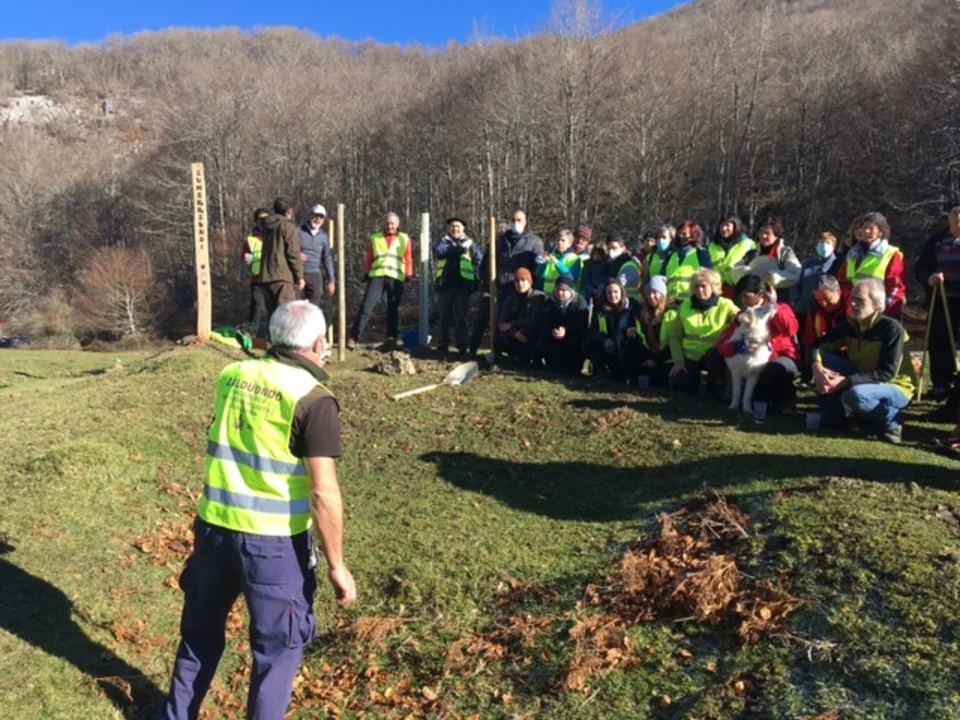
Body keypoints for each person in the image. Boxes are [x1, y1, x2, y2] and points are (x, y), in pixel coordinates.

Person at [160, 301, 356, 720]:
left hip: (213, 530)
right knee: (276, 652)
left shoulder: (232, 375)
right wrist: (337, 565)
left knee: (199, 634)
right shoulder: (314, 400)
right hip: (274, 546)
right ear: (318, 343)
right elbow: (324, 493)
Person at [811, 278, 915, 444]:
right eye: (852, 298)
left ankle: (892, 421)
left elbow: (887, 373)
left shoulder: (892, 330)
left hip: (895, 386)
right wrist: (817, 368)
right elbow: (817, 346)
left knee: (857, 395)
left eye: (859, 300)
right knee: (825, 361)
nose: (852, 304)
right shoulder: (851, 325)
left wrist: (846, 381)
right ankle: (835, 417)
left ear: (876, 304)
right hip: (863, 377)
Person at [717, 274, 801, 412]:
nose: (744, 301)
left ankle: (785, 402)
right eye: (742, 297)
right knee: (715, 357)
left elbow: (789, 330)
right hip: (750, 361)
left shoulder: (780, 309)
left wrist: (774, 305)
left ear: (761, 294)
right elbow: (723, 343)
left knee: (773, 370)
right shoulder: (743, 316)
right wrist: (736, 347)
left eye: (747, 296)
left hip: (780, 357)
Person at [470, 208, 544, 355]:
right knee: (488, 316)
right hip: (499, 288)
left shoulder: (534, 242)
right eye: (513, 220)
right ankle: (474, 349)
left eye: (519, 220)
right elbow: (486, 264)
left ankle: (517, 354)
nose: (515, 223)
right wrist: (488, 283)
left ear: (525, 222)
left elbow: (539, 266)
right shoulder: (500, 241)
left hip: (521, 290)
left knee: (517, 322)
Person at [914, 198, 960, 400]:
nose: (958, 216)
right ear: (949, 217)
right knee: (939, 342)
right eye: (955, 213)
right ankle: (942, 383)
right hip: (940, 299)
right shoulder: (936, 241)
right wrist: (929, 278)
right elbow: (920, 268)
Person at [668, 268, 739, 396]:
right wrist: (678, 362)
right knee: (679, 383)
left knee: (714, 360)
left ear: (713, 287)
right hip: (690, 358)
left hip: (715, 357)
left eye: (703, 286)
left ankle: (714, 384)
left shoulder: (726, 305)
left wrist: (726, 331)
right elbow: (675, 336)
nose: (699, 290)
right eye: (696, 287)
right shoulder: (685, 306)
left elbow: (741, 320)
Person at [348, 212, 413, 349]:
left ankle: (391, 338)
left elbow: (408, 258)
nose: (390, 226)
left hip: (396, 277)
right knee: (367, 305)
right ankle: (354, 337)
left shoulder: (404, 238)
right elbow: (370, 258)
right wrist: (366, 273)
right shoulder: (375, 238)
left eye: (392, 223)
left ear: (398, 224)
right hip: (377, 275)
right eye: (388, 223)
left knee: (393, 309)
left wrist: (408, 276)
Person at [837, 212, 906, 319]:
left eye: (871, 228)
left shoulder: (891, 254)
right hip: (853, 312)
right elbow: (843, 282)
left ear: (881, 232)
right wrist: (849, 305)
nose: (866, 231)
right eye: (864, 228)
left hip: (878, 314)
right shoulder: (852, 254)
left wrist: (883, 313)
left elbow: (895, 288)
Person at [434, 217, 482, 357]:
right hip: (445, 285)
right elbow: (440, 252)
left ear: (463, 228)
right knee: (444, 316)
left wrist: (477, 279)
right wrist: (459, 250)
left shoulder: (470, 244)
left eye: (458, 226)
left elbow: (480, 261)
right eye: (452, 226)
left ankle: (462, 345)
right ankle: (443, 344)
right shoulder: (443, 242)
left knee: (461, 317)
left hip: (463, 285)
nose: (455, 229)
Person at [625, 275, 677, 388]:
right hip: (650, 354)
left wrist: (656, 359)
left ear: (662, 294)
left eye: (655, 292)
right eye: (649, 293)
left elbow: (674, 342)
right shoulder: (643, 313)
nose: (651, 296)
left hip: (667, 358)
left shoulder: (671, 314)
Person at [729, 216, 801, 295]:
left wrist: (774, 277)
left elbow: (796, 273)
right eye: (761, 232)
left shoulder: (785, 252)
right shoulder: (752, 253)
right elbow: (735, 271)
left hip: (780, 298)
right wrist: (744, 272)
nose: (763, 236)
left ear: (776, 235)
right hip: (754, 298)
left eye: (767, 233)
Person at [259, 197, 305, 316]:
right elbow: (293, 254)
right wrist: (300, 276)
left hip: (266, 278)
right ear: (289, 211)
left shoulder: (267, 227)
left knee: (272, 317)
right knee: (285, 316)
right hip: (283, 279)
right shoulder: (288, 228)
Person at [536, 275, 589, 374]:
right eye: (558, 289)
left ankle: (575, 367)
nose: (560, 293)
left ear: (570, 290)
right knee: (542, 342)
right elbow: (542, 324)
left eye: (564, 290)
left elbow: (582, 324)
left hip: (573, 337)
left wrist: (566, 330)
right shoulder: (549, 302)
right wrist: (552, 332)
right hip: (554, 337)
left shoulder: (579, 301)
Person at [493, 268, 545, 365]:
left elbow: (535, 319)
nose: (520, 284)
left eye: (523, 280)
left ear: (529, 282)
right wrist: (514, 334)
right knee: (499, 338)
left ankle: (535, 360)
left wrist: (512, 325)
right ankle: (507, 359)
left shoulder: (539, 297)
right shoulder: (510, 299)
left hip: (532, 336)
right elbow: (502, 323)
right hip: (516, 336)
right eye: (517, 281)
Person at [800, 274, 847, 382]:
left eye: (827, 299)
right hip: (823, 357)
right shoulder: (814, 312)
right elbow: (809, 341)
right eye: (819, 300)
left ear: (839, 292)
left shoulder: (851, 310)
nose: (824, 304)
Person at [586, 279, 634, 380]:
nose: (612, 295)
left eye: (615, 292)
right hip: (609, 346)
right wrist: (605, 339)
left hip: (625, 344)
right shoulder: (600, 308)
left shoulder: (632, 306)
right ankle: (601, 370)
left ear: (621, 292)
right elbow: (593, 331)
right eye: (609, 293)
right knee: (588, 344)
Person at [792, 231, 839, 325]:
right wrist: (797, 300)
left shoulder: (838, 264)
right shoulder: (807, 263)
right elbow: (796, 284)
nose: (824, 245)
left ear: (833, 247)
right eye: (821, 242)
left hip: (826, 313)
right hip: (804, 310)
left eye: (828, 243)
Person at [298, 205, 336, 310]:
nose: (318, 219)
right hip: (298, 273)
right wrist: (297, 254)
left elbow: (327, 258)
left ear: (324, 219)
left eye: (321, 217)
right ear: (310, 215)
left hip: (314, 274)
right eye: (316, 215)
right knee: (296, 305)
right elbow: (288, 250)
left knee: (314, 307)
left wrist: (331, 280)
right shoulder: (298, 231)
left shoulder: (324, 237)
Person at [663, 220, 713, 299]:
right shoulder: (671, 255)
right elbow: (663, 277)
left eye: (684, 234)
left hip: (692, 302)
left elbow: (709, 278)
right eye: (679, 233)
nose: (680, 236)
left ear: (693, 236)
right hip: (671, 302)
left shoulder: (700, 253)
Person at [712, 215, 757, 292]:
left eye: (727, 225)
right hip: (716, 287)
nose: (724, 228)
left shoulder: (747, 244)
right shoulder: (712, 245)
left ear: (735, 226)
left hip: (739, 288)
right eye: (722, 225)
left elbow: (751, 266)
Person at [243, 208, 270, 333]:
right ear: (256, 221)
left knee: (271, 307)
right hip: (257, 278)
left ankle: (270, 334)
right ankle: (251, 332)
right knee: (257, 305)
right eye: (261, 219)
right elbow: (245, 257)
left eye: (266, 219)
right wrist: (248, 258)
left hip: (272, 277)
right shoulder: (251, 238)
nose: (264, 222)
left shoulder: (274, 235)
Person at [537, 229, 583, 294]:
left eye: (563, 240)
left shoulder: (574, 259)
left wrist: (558, 264)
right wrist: (543, 263)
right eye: (558, 240)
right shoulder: (551, 255)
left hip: (563, 295)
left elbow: (572, 278)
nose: (559, 242)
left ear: (569, 244)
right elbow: (538, 275)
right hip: (547, 295)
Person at [606, 232, 643, 302]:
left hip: (631, 302)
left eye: (614, 248)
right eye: (608, 248)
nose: (611, 251)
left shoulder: (629, 264)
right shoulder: (611, 263)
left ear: (623, 248)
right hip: (620, 301)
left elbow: (618, 284)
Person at [580, 242, 609, 308]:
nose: (597, 257)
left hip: (602, 291)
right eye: (595, 254)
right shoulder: (587, 264)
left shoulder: (607, 265)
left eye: (600, 255)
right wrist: (593, 291)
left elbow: (606, 278)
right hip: (589, 292)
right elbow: (585, 282)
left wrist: (601, 288)